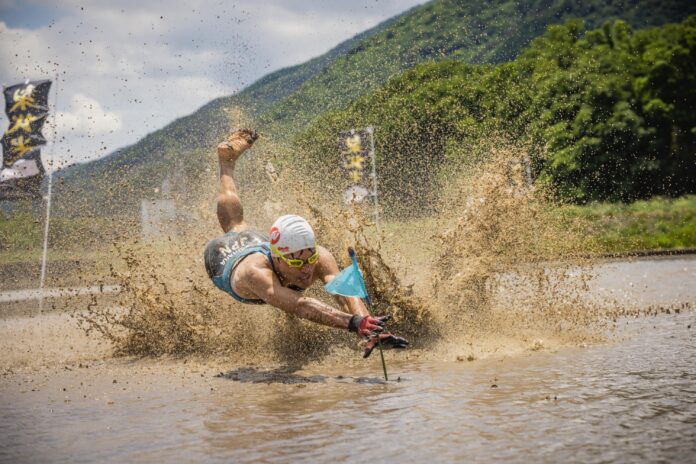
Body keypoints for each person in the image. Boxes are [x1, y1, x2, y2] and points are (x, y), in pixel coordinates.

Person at [204, 129, 408, 358]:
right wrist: (355, 323)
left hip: (256, 242)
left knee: (240, 225)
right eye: (297, 262)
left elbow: (343, 291)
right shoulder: (256, 273)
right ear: (278, 258)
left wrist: (368, 324)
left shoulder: (319, 255)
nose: (307, 268)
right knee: (234, 227)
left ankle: (227, 163)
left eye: (309, 258)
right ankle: (226, 164)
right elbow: (300, 305)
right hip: (223, 256)